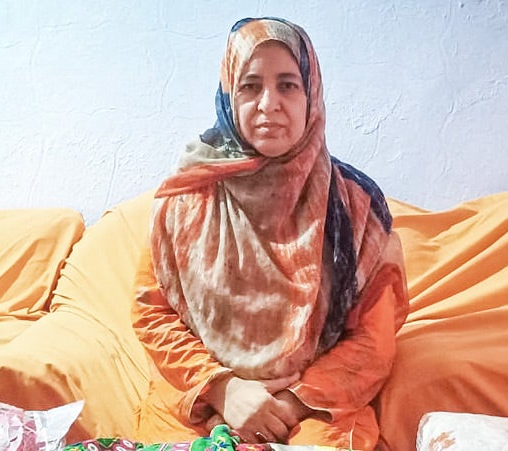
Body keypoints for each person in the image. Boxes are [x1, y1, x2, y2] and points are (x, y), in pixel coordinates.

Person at [131, 17, 408, 448]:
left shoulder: (356, 208)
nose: (268, 104)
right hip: (203, 403)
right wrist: (224, 389)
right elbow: (152, 312)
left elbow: (374, 340)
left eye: (287, 85)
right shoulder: (187, 196)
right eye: (250, 86)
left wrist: (293, 404)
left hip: (315, 409)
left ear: (311, 94)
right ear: (228, 94)